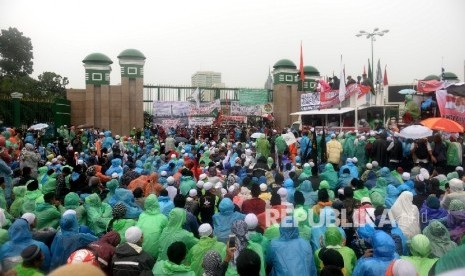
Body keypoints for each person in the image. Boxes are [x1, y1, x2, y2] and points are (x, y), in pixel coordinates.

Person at [136, 194, 168, 259]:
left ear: (146, 204)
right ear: (157, 203)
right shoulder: (163, 218)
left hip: (140, 252)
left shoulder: (142, 216)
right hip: (155, 254)